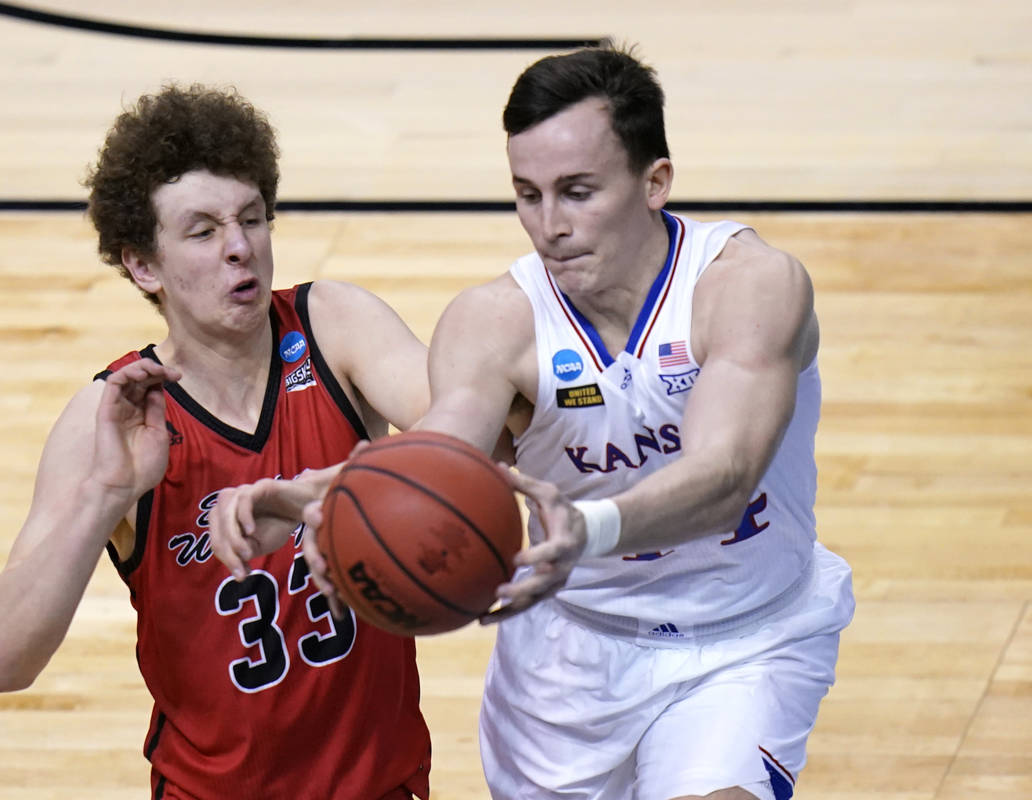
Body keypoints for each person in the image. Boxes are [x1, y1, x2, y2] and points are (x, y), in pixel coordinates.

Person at [224, 45, 855, 800]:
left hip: (743, 644)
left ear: (655, 182)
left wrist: (586, 529)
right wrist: (334, 497)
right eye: (528, 195)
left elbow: (723, 476)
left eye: (578, 192)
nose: (549, 225)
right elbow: (443, 453)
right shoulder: (495, 323)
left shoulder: (747, 287)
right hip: (569, 658)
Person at [0, 84, 433, 800]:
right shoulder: (110, 414)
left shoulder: (336, 326)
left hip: (380, 786)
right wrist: (106, 496)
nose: (240, 247)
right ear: (144, 265)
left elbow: (478, 441)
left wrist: (330, 491)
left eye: (251, 219)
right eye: (204, 231)